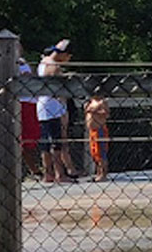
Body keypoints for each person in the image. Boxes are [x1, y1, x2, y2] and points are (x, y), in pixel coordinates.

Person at [36, 39, 78, 183]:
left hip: (43, 106)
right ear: (64, 54)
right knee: (56, 142)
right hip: (52, 107)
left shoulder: (44, 62)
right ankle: (60, 174)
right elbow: (59, 89)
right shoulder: (53, 67)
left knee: (46, 142)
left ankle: (48, 173)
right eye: (68, 56)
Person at [17, 57, 43, 179]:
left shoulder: (23, 61)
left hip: (33, 101)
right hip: (23, 102)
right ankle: (33, 169)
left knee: (34, 135)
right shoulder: (8, 62)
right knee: (25, 138)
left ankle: (36, 168)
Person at [84, 95, 110, 182]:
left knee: (101, 152)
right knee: (95, 153)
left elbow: (106, 114)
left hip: (100, 129)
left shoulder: (102, 102)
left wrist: (94, 111)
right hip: (92, 131)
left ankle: (103, 174)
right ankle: (98, 172)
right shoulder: (90, 102)